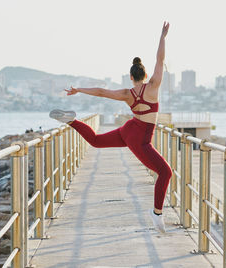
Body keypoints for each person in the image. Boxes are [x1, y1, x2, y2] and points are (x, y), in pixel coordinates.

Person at [50, 22, 171, 233]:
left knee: (96, 141)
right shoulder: (154, 86)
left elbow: (101, 92)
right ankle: (156, 213)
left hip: (129, 129)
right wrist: (162, 37)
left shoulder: (126, 94)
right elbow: (160, 59)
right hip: (141, 139)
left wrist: (78, 89)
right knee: (165, 173)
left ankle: (71, 121)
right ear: (144, 75)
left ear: (131, 77)